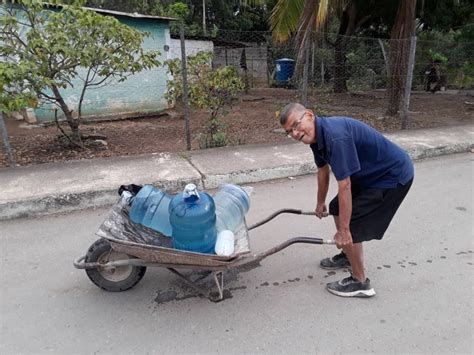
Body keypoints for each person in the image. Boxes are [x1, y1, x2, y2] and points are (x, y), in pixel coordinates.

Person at [279, 103, 414, 298]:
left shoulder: (335, 137)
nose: (294, 133)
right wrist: (320, 202)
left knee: (351, 222)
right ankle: (348, 255)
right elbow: (323, 170)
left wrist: (343, 231)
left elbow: (345, 185)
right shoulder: (317, 137)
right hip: (370, 174)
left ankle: (360, 282)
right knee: (336, 208)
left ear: (309, 115)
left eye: (296, 125)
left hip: (391, 176)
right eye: (289, 131)